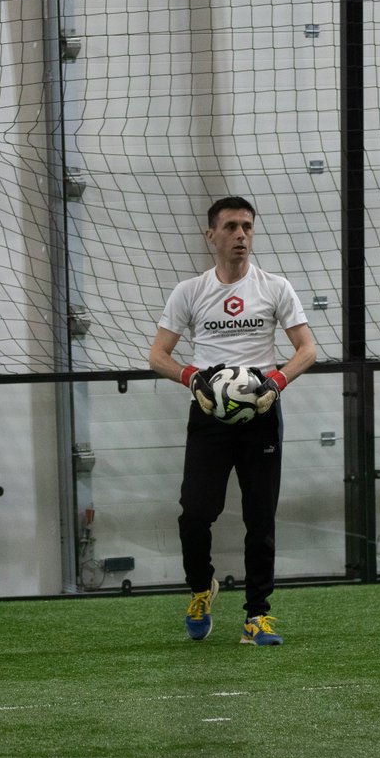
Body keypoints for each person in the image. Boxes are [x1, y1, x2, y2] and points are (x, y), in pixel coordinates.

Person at [148, 196, 316, 646]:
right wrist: (193, 379)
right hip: (208, 414)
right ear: (211, 235)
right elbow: (157, 355)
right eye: (231, 227)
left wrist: (275, 383)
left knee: (261, 519)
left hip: (260, 413)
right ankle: (202, 588)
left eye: (247, 227)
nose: (240, 235)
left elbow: (307, 350)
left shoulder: (275, 288)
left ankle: (256, 617)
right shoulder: (190, 291)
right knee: (195, 514)